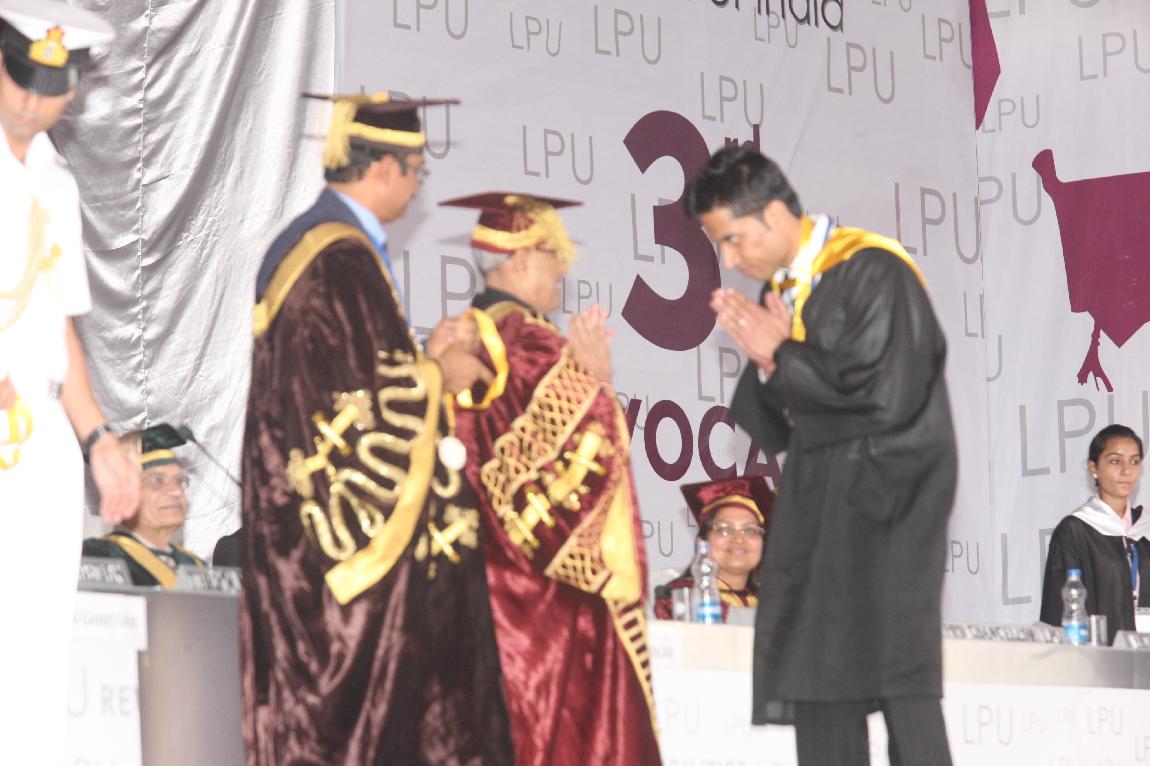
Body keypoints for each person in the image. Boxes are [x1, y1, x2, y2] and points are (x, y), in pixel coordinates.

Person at [241, 93, 512, 765]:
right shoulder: (337, 257)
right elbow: (346, 406)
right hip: (334, 546)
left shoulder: (330, 247)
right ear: (386, 168)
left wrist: (425, 359)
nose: (419, 187)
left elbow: (351, 379)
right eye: (417, 171)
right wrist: (439, 375)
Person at [684, 144, 958, 766]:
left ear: (775, 214)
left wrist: (783, 355)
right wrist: (767, 365)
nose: (731, 260)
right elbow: (780, 429)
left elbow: (888, 398)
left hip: (887, 511)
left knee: (900, 684)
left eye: (733, 240)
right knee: (819, 682)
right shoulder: (784, 290)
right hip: (820, 510)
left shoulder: (873, 269)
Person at [441, 192, 662, 766]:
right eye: (552, 254)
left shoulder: (455, 340)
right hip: (537, 598)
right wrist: (599, 385)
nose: (563, 269)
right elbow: (591, 454)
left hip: (463, 583)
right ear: (519, 260)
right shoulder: (530, 343)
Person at [0, 2, 139, 763]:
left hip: (40, 431)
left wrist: (97, 439)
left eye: (49, 88)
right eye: (20, 77)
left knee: (37, 645)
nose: (30, 100)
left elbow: (59, 325)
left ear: (75, 90)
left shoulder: (56, 181)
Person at [1040, 424, 1150, 643]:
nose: (1127, 471)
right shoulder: (1075, 531)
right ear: (1094, 468)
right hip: (1098, 654)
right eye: (1115, 461)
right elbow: (1059, 610)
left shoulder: (1144, 530)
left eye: (1134, 461)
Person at [83, 424, 207, 587]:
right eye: (157, 480)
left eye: (179, 481)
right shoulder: (97, 556)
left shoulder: (195, 565)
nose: (176, 491)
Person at [654, 474, 772, 621]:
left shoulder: (773, 605)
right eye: (725, 529)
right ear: (701, 542)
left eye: (749, 530)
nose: (738, 538)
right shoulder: (680, 601)